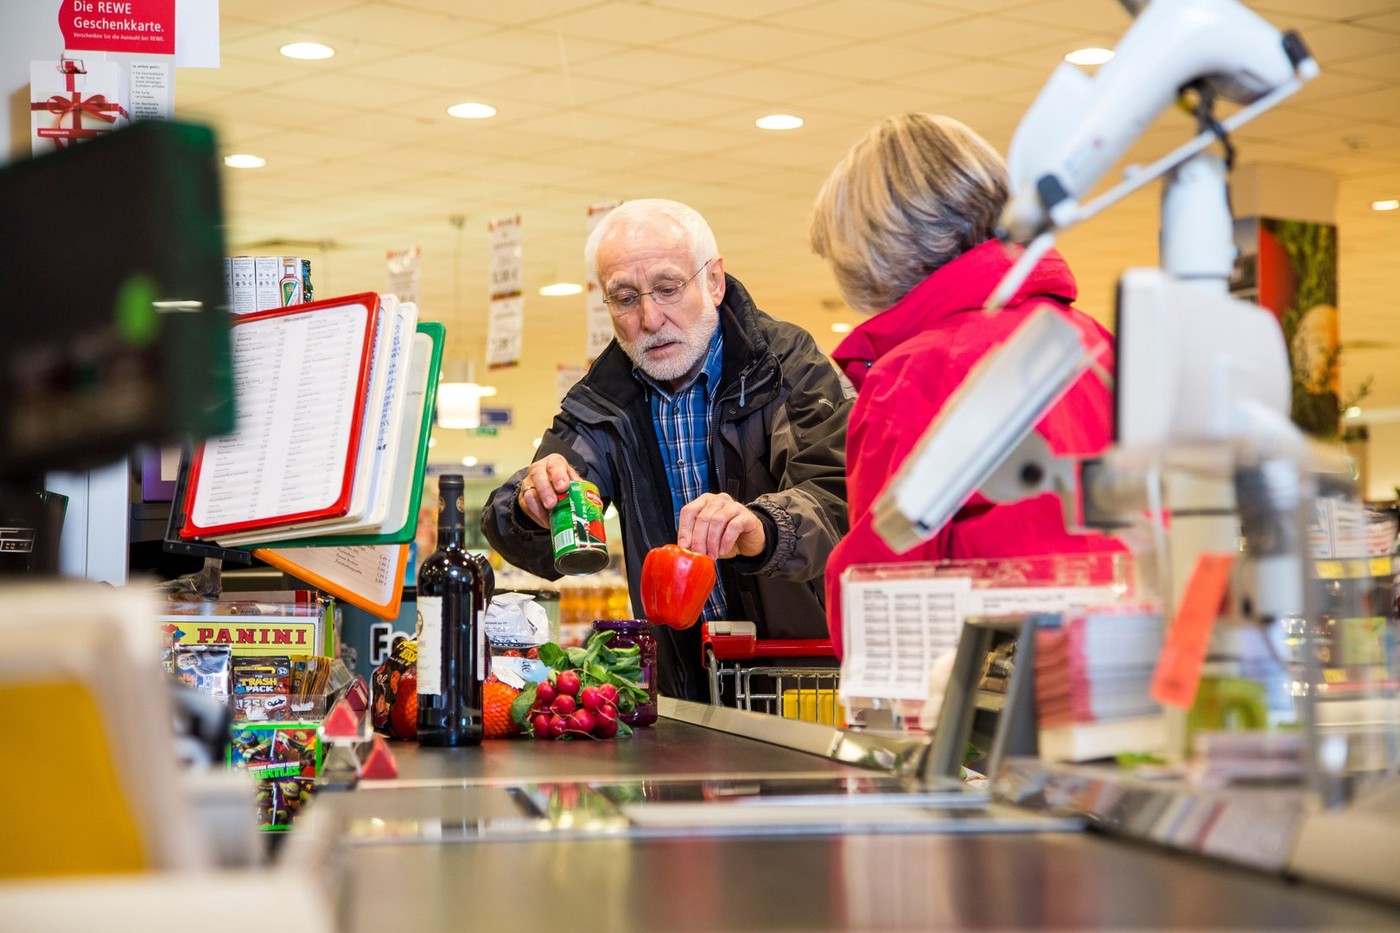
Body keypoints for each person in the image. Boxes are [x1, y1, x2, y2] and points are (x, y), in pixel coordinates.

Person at [481, 198, 852, 700]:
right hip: (681, 684)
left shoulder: (790, 368)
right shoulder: (603, 398)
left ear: (714, 281)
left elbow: (844, 501)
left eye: (668, 288)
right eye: (625, 297)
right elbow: (525, 524)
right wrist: (531, 506)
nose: (650, 318)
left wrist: (762, 528)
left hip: (804, 677)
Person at [809, 113, 1123, 656]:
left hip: (997, 702)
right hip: (1128, 675)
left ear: (875, 255)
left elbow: (884, 600)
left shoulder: (915, 374)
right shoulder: (1096, 346)